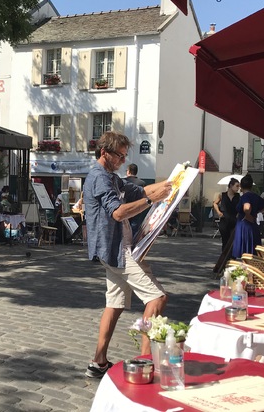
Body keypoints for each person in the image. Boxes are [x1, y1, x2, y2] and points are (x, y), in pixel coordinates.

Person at [83, 131, 172, 378]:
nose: (123, 161)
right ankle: (145, 364)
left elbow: (138, 191)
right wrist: (152, 200)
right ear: (104, 153)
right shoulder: (99, 178)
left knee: (115, 304)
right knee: (157, 299)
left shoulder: (111, 177)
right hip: (116, 251)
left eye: (124, 156)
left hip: (115, 250)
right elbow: (118, 213)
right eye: (120, 156)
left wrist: (170, 186)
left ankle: (98, 362)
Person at [231, 174, 264, 259]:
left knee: (244, 251)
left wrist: (248, 215)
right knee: (253, 251)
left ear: (241, 186)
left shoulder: (245, 196)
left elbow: (247, 207)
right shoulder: (255, 196)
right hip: (253, 225)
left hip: (244, 225)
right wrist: (258, 212)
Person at [212, 178, 240, 251]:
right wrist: (218, 212)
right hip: (224, 220)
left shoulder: (238, 196)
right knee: (225, 240)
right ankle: (224, 257)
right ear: (231, 185)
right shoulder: (222, 195)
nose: (238, 188)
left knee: (232, 240)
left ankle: (232, 257)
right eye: (237, 186)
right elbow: (215, 203)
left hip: (234, 220)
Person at [125, 164, 147, 236]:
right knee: (134, 229)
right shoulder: (142, 183)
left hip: (125, 209)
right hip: (137, 209)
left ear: (128, 171)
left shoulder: (123, 182)